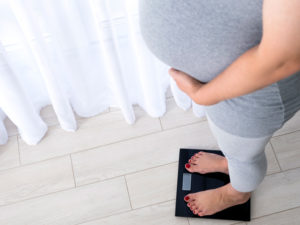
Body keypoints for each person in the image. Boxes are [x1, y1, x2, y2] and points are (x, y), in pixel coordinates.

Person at [139, 0, 300, 217]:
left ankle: (236, 193)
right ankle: (229, 162)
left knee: (243, 156)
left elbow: (283, 58)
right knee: (230, 145)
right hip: (217, 81)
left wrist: (202, 95)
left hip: (254, 91)